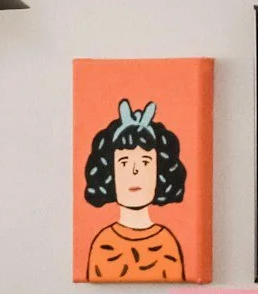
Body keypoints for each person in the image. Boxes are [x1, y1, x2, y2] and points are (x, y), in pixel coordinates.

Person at [80, 98, 191, 282]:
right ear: (109, 171)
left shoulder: (167, 244)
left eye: (145, 162)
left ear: (160, 171)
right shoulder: (103, 245)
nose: (135, 172)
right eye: (124, 162)